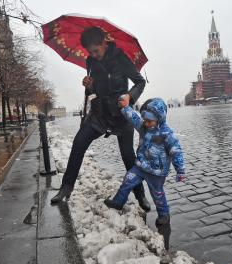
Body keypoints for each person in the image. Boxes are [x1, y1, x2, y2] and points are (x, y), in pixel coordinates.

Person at [51, 27, 151, 211]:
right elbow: (93, 92)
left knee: (128, 156)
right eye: (90, 52)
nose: (93, 55)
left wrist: (130, 96)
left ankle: (141, 195)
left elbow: (140, 82)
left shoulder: (121, 58)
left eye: (96, 50)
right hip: (100, 114)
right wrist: (88, 85)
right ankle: (66, 187)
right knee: (79, 142)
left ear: (104, 43)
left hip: (122, 113)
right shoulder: (91, 61)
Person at [104, 97, 186, 229]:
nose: (146, 123)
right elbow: (134, 118)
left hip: (157, 172)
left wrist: (180, 170)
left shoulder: (167, 134)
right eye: (145, 120)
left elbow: (176, 152)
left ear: (159, 118)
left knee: (157, 194)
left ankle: (164, 214)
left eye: (150, 121)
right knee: (128, 180)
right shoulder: (144, 128)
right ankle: (118, 202)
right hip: (141, 166)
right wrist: (125, 107)